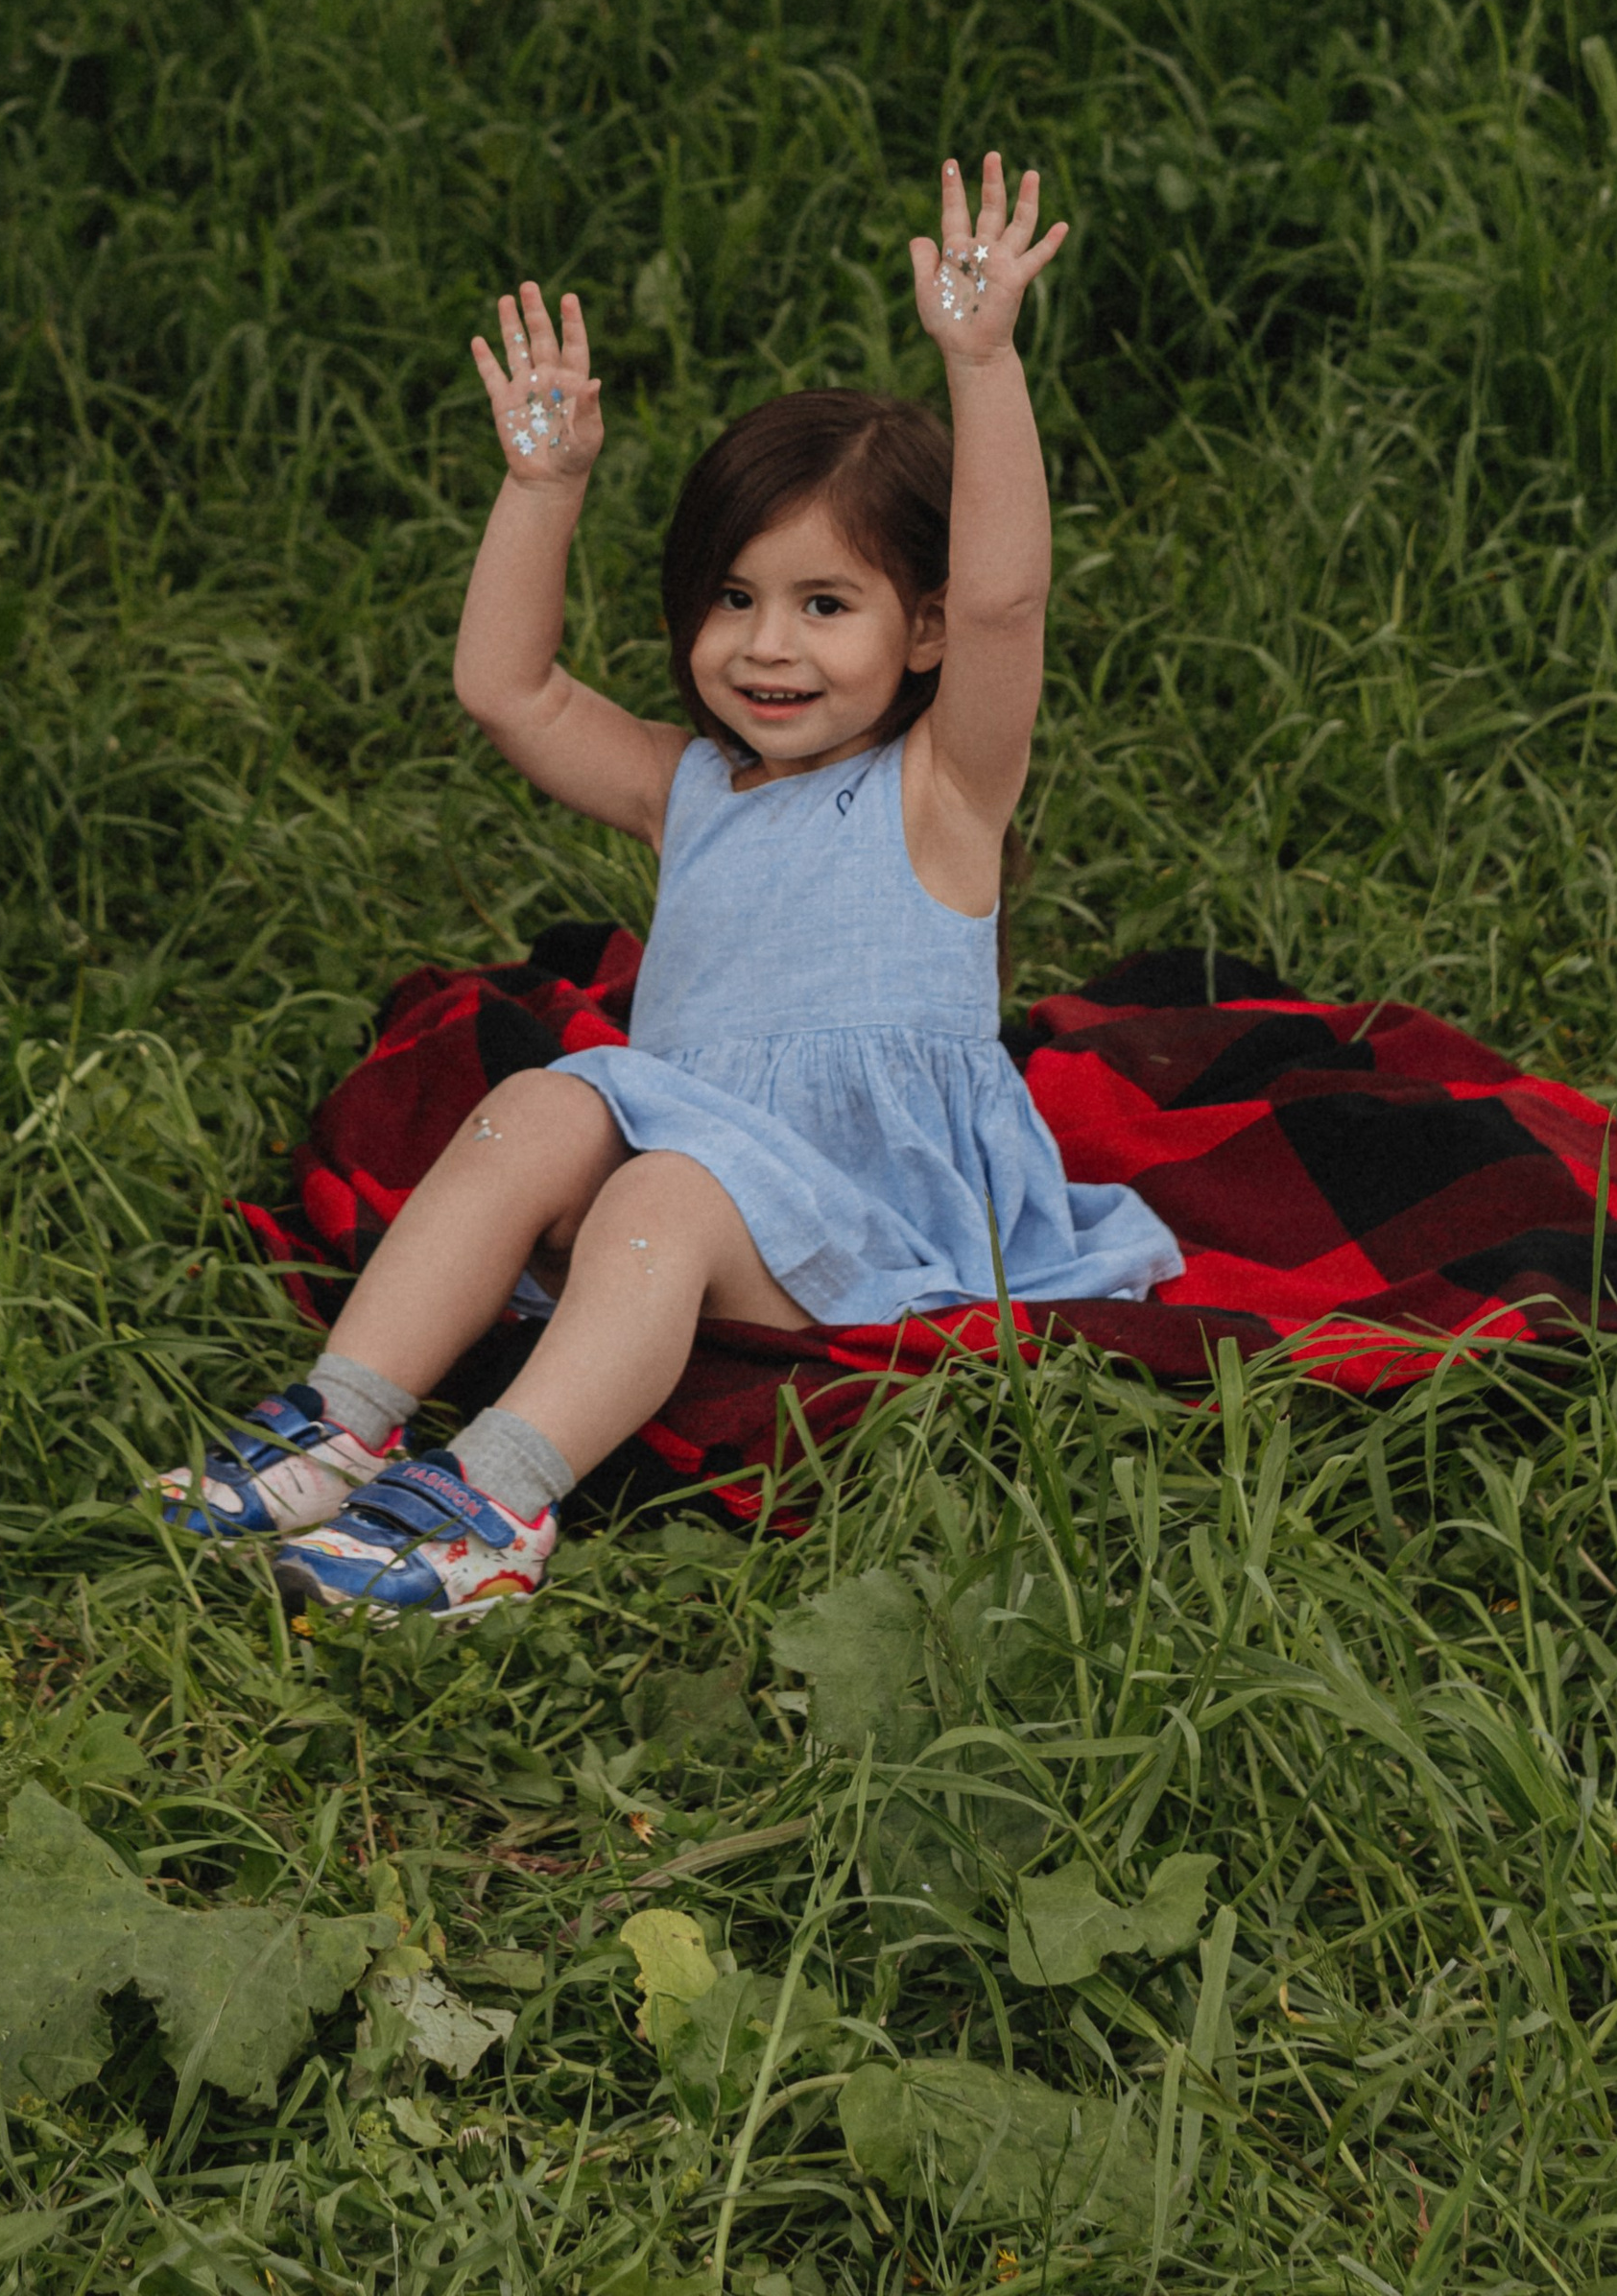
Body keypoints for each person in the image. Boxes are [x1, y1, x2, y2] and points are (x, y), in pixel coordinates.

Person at [155, 152, 1182, 1617]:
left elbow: (1016, 591)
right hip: (687, 1163)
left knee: (662, 1195)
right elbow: (507, 690)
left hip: (861, 1216)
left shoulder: (943, 788)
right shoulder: (690, 786)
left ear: (930, 629)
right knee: (537, 1103)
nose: (767, 646)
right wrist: (541, 487)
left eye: (827, 606)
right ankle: (343, 1414)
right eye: (733, 598)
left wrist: (983, 362)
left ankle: (496, 1498)